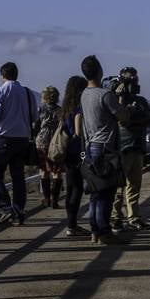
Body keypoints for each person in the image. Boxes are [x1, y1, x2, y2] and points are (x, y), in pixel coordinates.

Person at [78, 55, 125, 244]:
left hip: (91, 146)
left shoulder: (84, 94)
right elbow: (123, 116)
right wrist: (120, 97)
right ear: (99, 71)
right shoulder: (105, 95)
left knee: (96, 192)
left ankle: (95, 230)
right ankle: (105, 231)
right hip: (106, 147)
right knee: (106, 192)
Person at [0, 60, 35, 225]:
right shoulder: (27, 93)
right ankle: (19, 212)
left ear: (2, 76)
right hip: (23, 139)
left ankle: (6, 208)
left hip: (4, 139)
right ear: (17, 75)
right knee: (18, 177)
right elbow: (34, 116)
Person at [112, 66, 150, 230]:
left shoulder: (141, 101)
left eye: (135, 80)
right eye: (129, 80)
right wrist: (121, 98)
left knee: (134, 185)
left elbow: (148, 117)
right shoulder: (114, 100)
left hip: (137, 146)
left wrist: (131, 120)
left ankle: (134, 217)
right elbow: (120, 120)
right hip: (122, 148)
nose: (133, 84)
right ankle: (115, 217)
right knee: (118, 186)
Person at [60, 75, 89, 237]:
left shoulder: (65, 108)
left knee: (70, 188)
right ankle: (72, 225)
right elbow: (78, 132)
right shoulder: (78, 108)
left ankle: (70, 223)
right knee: (77, 188)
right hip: (76, 152)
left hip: (67, 152)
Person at [34, 85, 63, 209]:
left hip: (42, 143)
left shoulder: (40, 110)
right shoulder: (60, 111)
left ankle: (47, 199)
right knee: (57, 172)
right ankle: (55, 201)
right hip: (56, 144)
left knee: (43, 171)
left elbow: (36, 126)